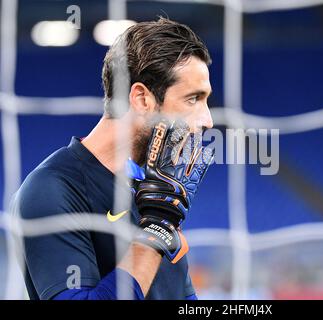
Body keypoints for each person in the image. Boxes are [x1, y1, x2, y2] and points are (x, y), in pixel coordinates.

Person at [10, 17, 214, 300]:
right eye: (193, 99)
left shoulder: (155, 194)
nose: (208, 120)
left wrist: (161, 223)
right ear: (142, 99)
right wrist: (155, 233)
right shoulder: (51, 190)